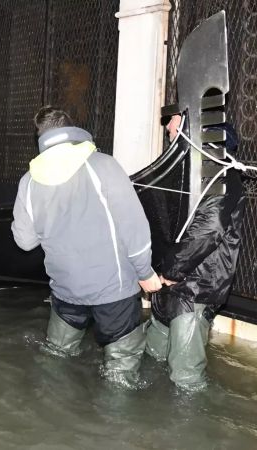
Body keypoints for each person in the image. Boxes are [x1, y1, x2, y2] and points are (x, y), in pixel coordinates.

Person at [11, 106, 162, 386]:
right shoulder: (103, 165)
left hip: (65, 291)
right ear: (73, 131)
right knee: (121, 371)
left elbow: (25, 241)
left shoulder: (29, 181)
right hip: (113, 292)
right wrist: (145, 273)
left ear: (41, 139)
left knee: (56, 359)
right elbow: (134, 226)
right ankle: (116, 424)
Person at [144, 112, 245, 390]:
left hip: (194, 291)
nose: (168, 131)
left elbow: (209, 231)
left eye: (174, 127)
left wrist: (168, 272)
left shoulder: (220, 174)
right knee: (152, 359)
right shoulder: (188, 173)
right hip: (169, 288)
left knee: (185, 380)